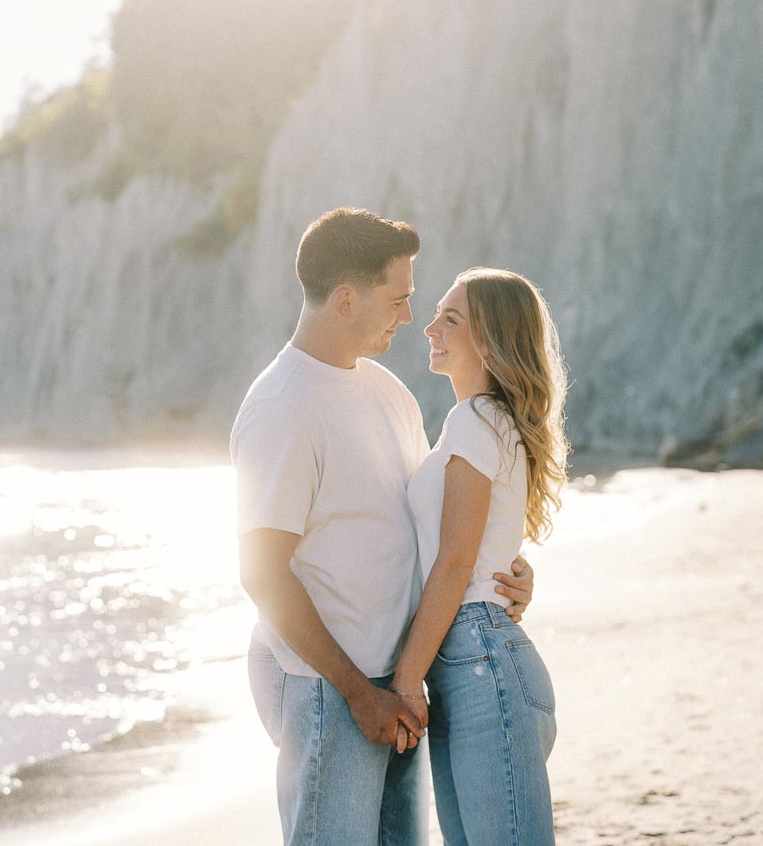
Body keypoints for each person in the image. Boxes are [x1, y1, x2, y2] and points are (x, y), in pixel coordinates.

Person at [230, 210, 535, 845]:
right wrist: (355, 691)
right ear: (346, 300)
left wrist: (498, 570)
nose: (408, 317)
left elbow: (429, 523)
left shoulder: (389, 393)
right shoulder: (282, 407)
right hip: (329, 688)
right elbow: (261, 572)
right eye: (396, 300)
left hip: (396, 686)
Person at [389, 267, 567, 845]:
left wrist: (405, 678)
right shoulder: (483, 423)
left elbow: (456, 563)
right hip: (476, 661)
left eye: (451, 319)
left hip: (480, 659)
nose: (430, 328)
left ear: (488, 341)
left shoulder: (474, 419)